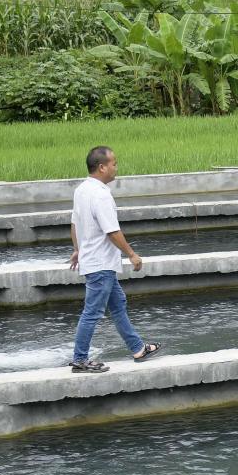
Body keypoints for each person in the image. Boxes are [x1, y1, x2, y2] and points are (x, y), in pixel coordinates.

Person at [69, 145, 156, 373]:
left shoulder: (81, 190)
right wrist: (132, 254)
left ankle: (138, 348)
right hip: (101, 264)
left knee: (118, 305)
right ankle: (80, 359)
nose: (116, 168)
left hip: (94, 260)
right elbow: (112, 231)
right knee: (92, 313)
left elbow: (75, 223)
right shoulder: (101, 194)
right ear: (102, 167)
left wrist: (77, 249)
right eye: (114, 164)